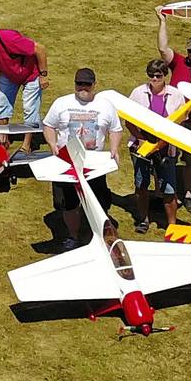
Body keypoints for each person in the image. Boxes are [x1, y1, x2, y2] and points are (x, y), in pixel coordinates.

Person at [41, 68, 122, 250]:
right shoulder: (61, 103)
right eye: (79, 84)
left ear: (94, 85)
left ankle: (100, 235)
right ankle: (73, 236)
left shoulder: (105, 105)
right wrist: (52, 144)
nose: (83, 88)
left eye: (87, 84)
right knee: (68, 203)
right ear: (74, 84)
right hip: (66, 163)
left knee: (99, 201)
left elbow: (115, 129)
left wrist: (114, 149)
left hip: (94, 165)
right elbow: (48, 125)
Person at [156, 12, 191, 212]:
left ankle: (188, 195)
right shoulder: (179, 62)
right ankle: (163, 195)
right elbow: (163, 49)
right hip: (174, 121)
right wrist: (162, 22)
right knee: (165, 157)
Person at [126, 59, 186, 232]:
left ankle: (172, 226)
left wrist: (166, 141)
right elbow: (128, 121)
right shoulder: (138, 93)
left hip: (167, 147)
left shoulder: (176, 95)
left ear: (165, 75)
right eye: (151, 75)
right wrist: (140, 138)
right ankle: (143, 220)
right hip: (141, 146)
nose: (154, 79)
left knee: (169, 188)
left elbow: (181, 121)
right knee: (141, 184)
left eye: (158, 76)